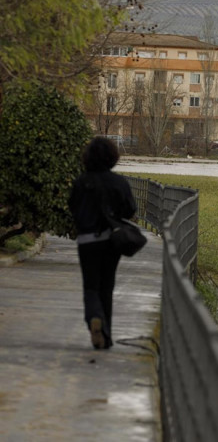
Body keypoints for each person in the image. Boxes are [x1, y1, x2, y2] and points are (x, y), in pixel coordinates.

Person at [68, 137, 137, 349]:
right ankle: (105, 336)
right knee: (107, 287)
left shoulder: (81, 182)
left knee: (91, 287)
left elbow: (73, 207)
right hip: (111, 240)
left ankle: (94, 318)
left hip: (87, 241)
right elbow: (130, 210)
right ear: (112, 157)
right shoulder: (119, 182)